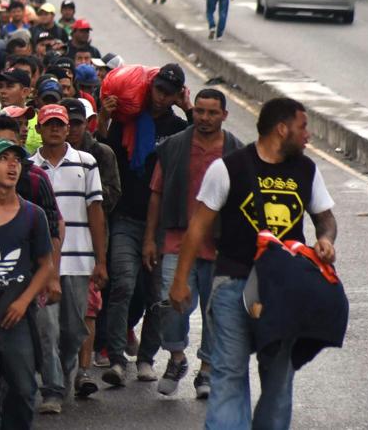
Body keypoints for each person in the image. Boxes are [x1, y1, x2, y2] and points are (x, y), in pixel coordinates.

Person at [170, 97, 338, 429]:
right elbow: (198, 227)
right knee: (228, 374)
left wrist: (326, 240)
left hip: (283, 291)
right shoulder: (228, 167)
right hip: (232, 285)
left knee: (278, 381)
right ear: (282, 128)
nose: (308, 135)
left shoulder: (306, 170)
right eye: (303, 127)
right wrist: (180, 280)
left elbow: (325, 218)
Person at [144, 88, 243, 399]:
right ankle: (176, 358)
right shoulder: (174, 147)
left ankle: (207, 371)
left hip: (221, 246)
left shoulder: (238, 153)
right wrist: (149, 238)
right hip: (177, 240)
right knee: (171, 305)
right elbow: (156, 193)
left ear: (225, 115)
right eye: (200, 111)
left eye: (213, 112)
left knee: (217, 312)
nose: (205, 118)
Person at [97, 63, 189, 388]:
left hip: (164, 227)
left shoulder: (180, 128)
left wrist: (190, 110)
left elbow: (199, 152)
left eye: (169, 93)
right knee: (122, 285)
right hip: (126, 217)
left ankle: (147, 358)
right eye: (158, 90)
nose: (161, 98)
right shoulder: (129, 121)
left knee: (158, 296)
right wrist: (105, 116)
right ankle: (117, 359)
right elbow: (104, 152)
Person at [0, 139, 55, 430]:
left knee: (23, 388)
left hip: (18, 313)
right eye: (4, 159)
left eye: (17, 159)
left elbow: (46, 265)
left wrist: (23, 300)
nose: (13, 165)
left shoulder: (33, 215)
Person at [30, 104, 107, 412]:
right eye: (49, 124)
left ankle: (62, 374)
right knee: (47, 328)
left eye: (60, 124)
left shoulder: (86, 162)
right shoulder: (27, 166)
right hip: (43, 262)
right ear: (39, 129)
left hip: (79, 259)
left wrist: (101, 260)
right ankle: (52, 389)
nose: (55, 129)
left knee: (74, 328)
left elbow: (96, 212)